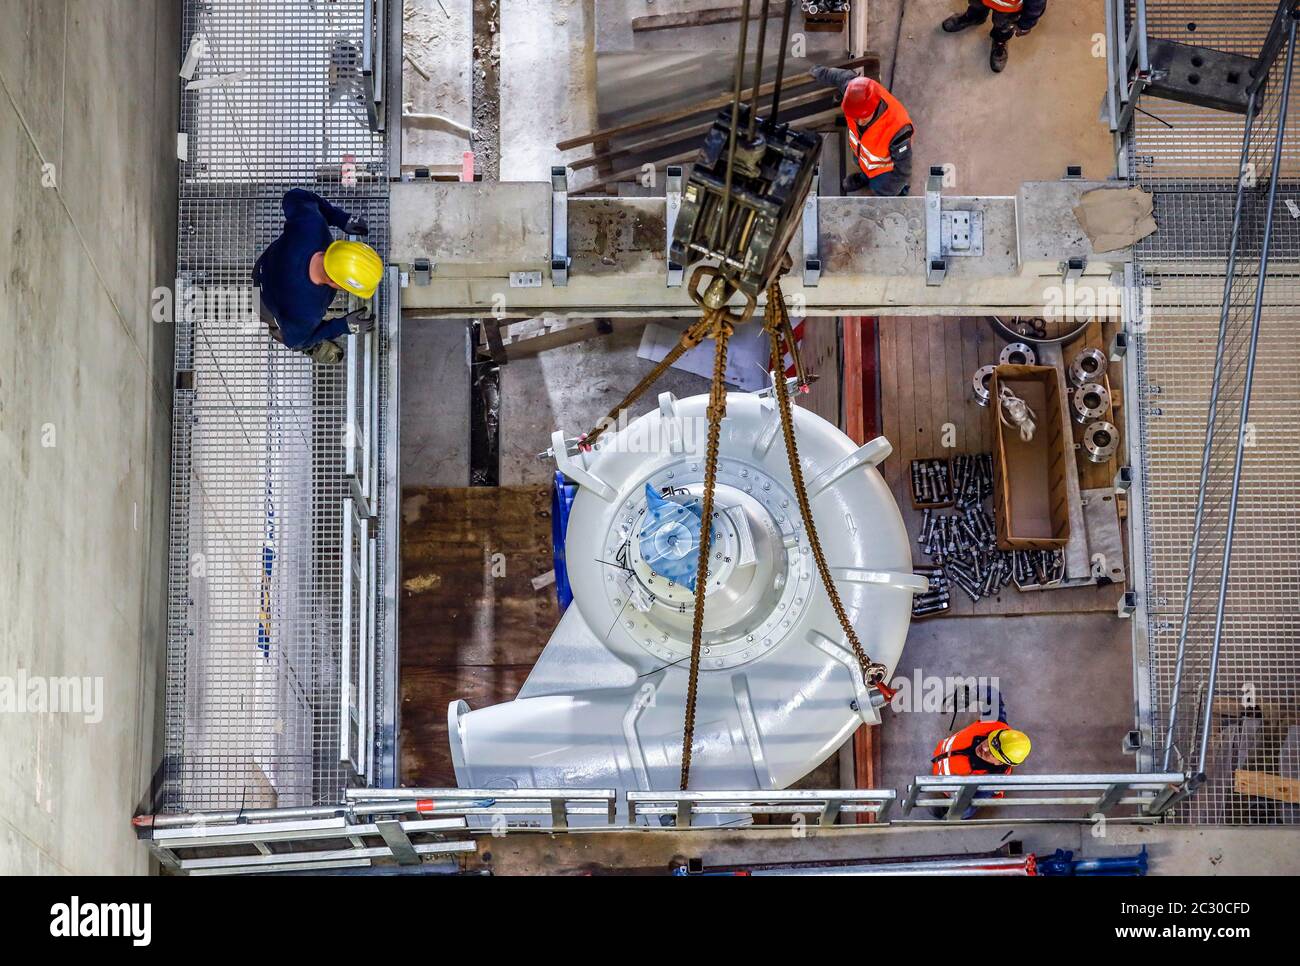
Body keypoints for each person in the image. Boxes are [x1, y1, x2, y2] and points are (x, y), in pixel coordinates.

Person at [252, 188, 383, 364]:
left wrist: (340, 218)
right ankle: (312, 347)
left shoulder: (312, 226)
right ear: (334, 282)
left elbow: (293, 196)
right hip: (262, 305)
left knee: (299, 328)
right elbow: (293, 341)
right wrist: (340, 326)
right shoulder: (308, 310)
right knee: (297, 338)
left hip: (262, 267)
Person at [810, 67, 914, 197]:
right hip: (863, 157)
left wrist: (887, 196)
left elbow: (903, 171)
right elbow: (839, 76)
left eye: (863, 117)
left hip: (884, 172)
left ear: (875, 107)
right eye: (855, 117)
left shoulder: (898, 128)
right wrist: (819, 72)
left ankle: (898, 193)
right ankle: (864, 178)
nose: (858, 122)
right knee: (863, 166)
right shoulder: (854, 90)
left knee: (882, 187)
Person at [941, 1, 1049, 74]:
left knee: (1003, 25)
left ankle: (1000, 39)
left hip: (1008, 8)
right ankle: (974, 17)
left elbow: (1037, 3)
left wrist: (1026, 23)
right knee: (976, 5)